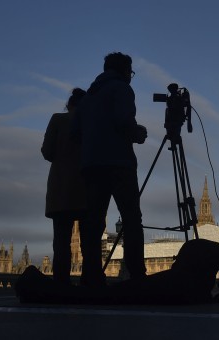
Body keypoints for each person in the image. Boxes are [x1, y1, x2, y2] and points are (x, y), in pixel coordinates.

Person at [73, 52, 148, 287]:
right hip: (119, 163)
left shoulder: (87, 98)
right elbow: (124, 121)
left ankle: (91, 276)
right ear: (125, 71)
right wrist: (139, 133)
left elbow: (75, 133)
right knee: (131, 219)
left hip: (91, 165)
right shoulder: (122, 89)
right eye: (131, 72)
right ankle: (136, 275)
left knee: (92, 222)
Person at [41, 88, 88, 285]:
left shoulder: (58, 119)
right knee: (89, 241)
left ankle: (61, 282)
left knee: (61, 241)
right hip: (87, 186)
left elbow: (47, 151)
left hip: (61, 186)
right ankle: (91, 281)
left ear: (68, 105)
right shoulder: (92, 123)